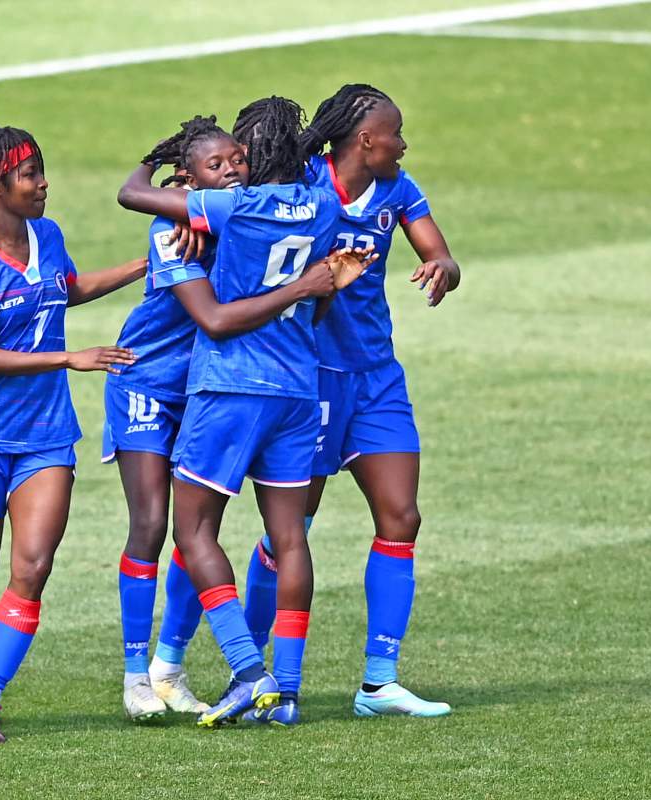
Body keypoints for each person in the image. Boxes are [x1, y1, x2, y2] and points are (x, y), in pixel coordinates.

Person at [106, 115, 371, 722]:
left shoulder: (228, 215)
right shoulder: (303, 208)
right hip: (221, 386)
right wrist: (313, 284)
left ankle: (221, 669)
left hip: (224, 386)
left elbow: (223, 311)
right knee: (242, 532)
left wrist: (188, 201)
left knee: (193, 531)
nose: (231, 171)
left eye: (238, 159)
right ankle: (254, 687)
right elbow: (298, 290)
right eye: (217, 165)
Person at [241, 84, 459, 718]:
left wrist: (443, 266)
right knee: (291, 530)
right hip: (310, 378)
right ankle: (252, 667)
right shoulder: (303, 179)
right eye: (396, 134)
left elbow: (436, 248)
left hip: (376, 376)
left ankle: (378, 681)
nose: (404, 143)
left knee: (402, 517)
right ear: (366, 141)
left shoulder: (397, 188)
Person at [0, 125, 147, 745]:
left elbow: (67, 289)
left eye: (41, 171)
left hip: (47, 436)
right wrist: (69, 359)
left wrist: (147, 263)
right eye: (29, 175)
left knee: (32, 565)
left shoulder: (47, 237)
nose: (42, 183)